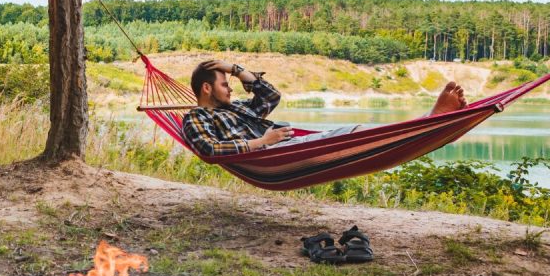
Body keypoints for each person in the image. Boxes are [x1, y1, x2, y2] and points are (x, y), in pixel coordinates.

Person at [182, 60, 467, 157]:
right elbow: (210, 149)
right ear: (206, 88)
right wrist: (262, 142)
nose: (230, 88)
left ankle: (431, 127)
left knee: (350, 134)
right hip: (273, 153)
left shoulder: (239, 109)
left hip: (290, 146)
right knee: (352, 135)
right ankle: (429, 122)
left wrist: (234, 69)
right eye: (224, 84)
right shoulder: (196, 117)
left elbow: (270, 96)